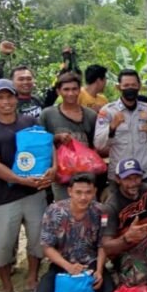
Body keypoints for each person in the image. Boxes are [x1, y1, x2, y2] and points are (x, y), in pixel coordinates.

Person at [0, 79, 53, 292]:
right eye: (0, 98)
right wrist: (21, 180)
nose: (6, 102)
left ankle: (32, 277)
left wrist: (53, 169)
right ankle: (6, 287)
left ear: (16, 98)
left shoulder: (29, 122)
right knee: (1, 244)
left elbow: (47, 147)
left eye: (9, 96)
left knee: (37, 238)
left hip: (34, 193)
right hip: (2, 197)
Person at [32, 173, 113, 292]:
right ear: (70, 192)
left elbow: (103, 244)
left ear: (95, 192)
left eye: (88, 192)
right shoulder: (54, 211)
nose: (83, 197)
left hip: (90, 264)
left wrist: (99, 270)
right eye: (78, 192)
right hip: (62, 264)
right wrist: (68, 267)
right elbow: (47, 247)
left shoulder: (102, 211)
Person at [94, 69, 147, 196]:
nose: (130, 88)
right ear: (118, 87)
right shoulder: (108, 111)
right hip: (119, 176)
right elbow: (98, 144)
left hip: (144, 173)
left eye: (133, 85)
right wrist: (112, 127)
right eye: (126, 86)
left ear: (139, 86)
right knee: (118, 213)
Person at [100, 159, 147, 286]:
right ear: (118, 179)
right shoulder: (110, 207)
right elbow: (105, 246)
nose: (133, 183)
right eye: (127, 179)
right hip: (127, 248)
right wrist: (126, 238)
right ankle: (118, 271)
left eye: (137, 178)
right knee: (137, 279)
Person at [41, 71, 99, 200]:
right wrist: (56, 138)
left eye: (74, 89)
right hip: (61, 177)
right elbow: (40, 144)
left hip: (86, 178)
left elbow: (94, 145)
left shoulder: (90, 115)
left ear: (80, 90)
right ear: (58, 91)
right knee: (64, 213)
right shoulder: (48, 114)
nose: (71, 93)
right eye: (66, 89)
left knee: (87, 212)